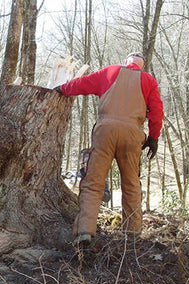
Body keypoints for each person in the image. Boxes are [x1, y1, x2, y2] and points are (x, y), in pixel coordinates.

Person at [54, 52, 164, 244]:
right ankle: (132, 235)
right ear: (141, 66)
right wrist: (153, 137)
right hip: (132, 134)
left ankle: (84, 232)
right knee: (131, 185)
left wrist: (62, 88)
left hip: (104, 131)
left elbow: (83, 83)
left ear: (126, 62)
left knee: (93, 182)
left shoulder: (110, 71)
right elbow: (157, 111)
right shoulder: (148, 80)